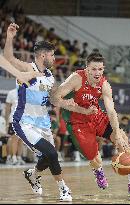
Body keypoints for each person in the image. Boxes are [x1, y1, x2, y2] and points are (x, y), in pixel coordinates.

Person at [51, 51, 130, 198]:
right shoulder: (76, 79)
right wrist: (79, 109)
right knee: (95, 158)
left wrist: (118, 134)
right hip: (77, 122)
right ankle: (98, 171)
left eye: (100, 69)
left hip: (96, 116)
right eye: (94, 69)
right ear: (87, 69)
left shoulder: (104, 84)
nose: (97, 72)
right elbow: (54, 99)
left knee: (124, 141)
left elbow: (111, 111)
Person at [3, 23, 72, 201]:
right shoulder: (28, 68)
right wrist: (10, 37)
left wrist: (70, 104)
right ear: (43, 55)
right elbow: (8, 58)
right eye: (52, 54)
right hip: (24, 122)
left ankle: (33, 174)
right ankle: (63, 189)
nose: (54, 57)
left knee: (48, 156)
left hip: (43, 122)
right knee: (51, 153)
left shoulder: (50, 76)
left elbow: (53, 100)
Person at [5, 88, 25, 165]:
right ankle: (13, 157)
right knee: (14, 139)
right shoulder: (11, 92)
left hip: (24, 120)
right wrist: (7, 121)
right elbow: (7, 108)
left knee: (21, 140)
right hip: (14, 119)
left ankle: (19, 157)